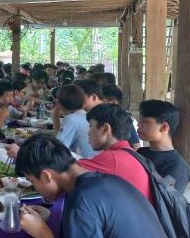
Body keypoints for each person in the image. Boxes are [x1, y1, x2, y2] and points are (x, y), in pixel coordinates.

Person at [16, 135, 167, 238]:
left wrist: (42, 233)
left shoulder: (81, 201)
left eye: (32, 181)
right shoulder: (110, 180)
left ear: (46, 176)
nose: (35, 188)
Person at [79, 103, 153, 203]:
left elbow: (63, 171)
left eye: (91, 126)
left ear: (105, 129)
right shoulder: (129, 153)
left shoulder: (112, 158)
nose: (88, 132)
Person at [137, 100, 190, 193]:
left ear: (164, 127)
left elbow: (163, 200)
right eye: (140, 120)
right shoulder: (141, 152)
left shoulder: (177, 167)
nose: (138, 125)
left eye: (145, 122)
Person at [53, 84, 96, 158]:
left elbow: (58, 149)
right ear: (83, 103)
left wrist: (55, 115)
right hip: (92, 161)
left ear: (59, 104)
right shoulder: (85, 115)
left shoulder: (72, 119)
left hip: (85, 164)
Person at [102, 84, 141, 150]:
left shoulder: (123, 118)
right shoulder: (109, 116)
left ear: (113, 102)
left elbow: (136, 145)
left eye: (102, 102)